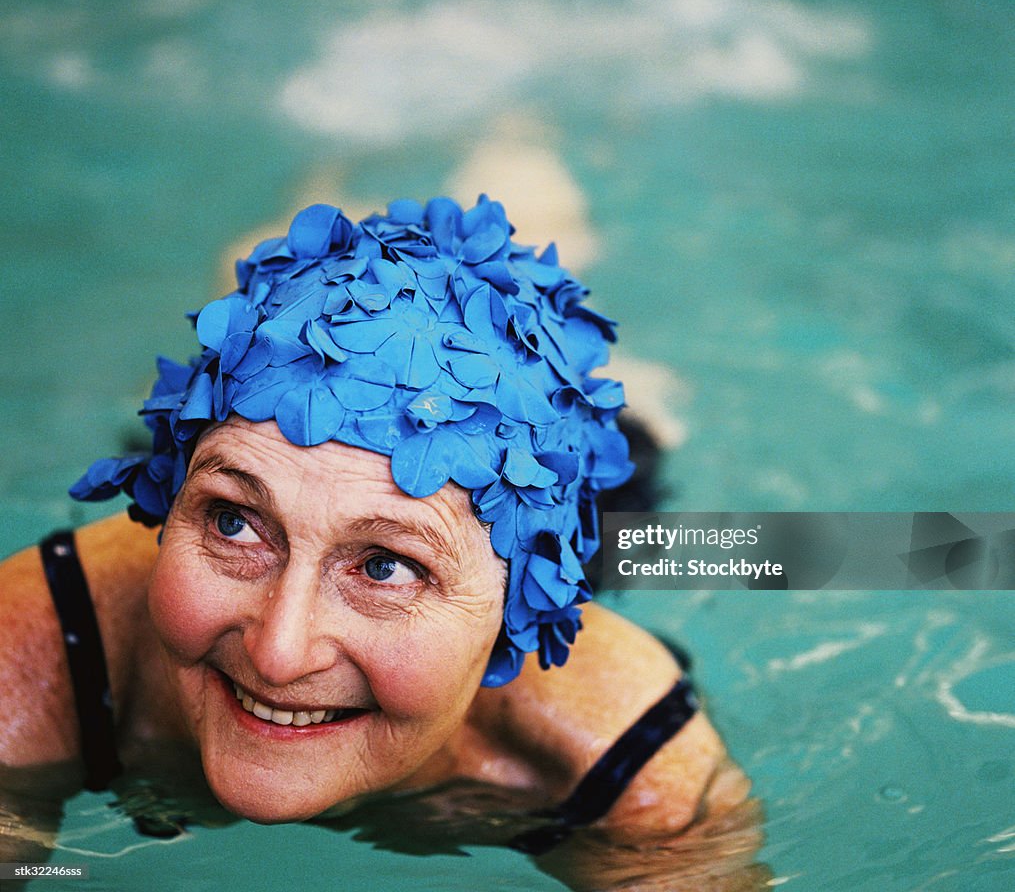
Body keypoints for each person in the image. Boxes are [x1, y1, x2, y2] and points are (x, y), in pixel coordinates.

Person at [0, 198, 758, 886]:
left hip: (564, 481)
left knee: (631, 417)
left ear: (509, 611)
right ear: (172, 506)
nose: (278, 654)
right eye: (233, 521)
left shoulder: (621, 763)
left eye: (386, 566)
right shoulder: (39, 651)